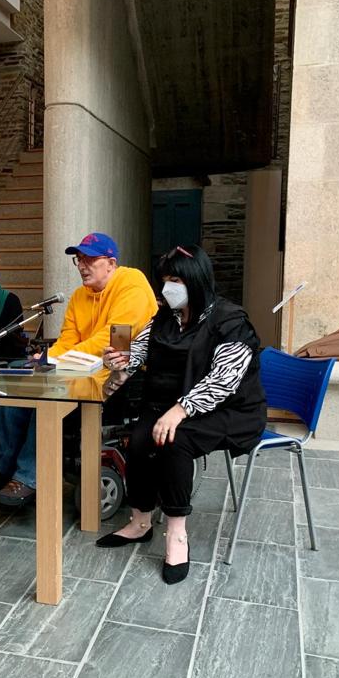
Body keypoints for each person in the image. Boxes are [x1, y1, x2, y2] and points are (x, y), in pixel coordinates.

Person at [96, 244, 266, 585]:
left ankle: (176, 533)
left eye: (175, 280)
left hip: (229, 410)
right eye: (164, 280)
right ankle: (141, 521)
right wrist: (118, 363)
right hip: (169, 405)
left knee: (174, 439)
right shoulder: (165, 317)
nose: (167, 288)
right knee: (140, 437)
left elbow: (224, 380)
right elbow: (139, 349)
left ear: (196, 280)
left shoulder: (230, 321)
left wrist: (180, 409)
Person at [0, 232, 157, 506]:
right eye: (78, 259)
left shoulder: (133, 287)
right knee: (18, 377)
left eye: (89, 259)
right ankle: (3, 468)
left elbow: (112, 337)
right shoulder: (80, 296)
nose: (82, 265)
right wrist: (44, 359)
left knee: (47, 397)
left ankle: (28, 477)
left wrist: (58, 361)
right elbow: (67, 339)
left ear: (111, 263)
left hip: (121, 377)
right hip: (78, 369)